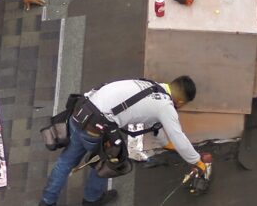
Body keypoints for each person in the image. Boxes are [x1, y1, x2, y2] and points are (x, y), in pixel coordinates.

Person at [39, 76, 207, 206]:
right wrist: (197, 161)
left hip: (80, 113)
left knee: (66, 161)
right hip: (96, 127)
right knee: (107, 163)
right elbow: (179, 137)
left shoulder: (149, 85)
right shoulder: (165, 106)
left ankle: (47, 201)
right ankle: (92, 199)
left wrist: (165, 143)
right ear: (181, 102)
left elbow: (153, 124)